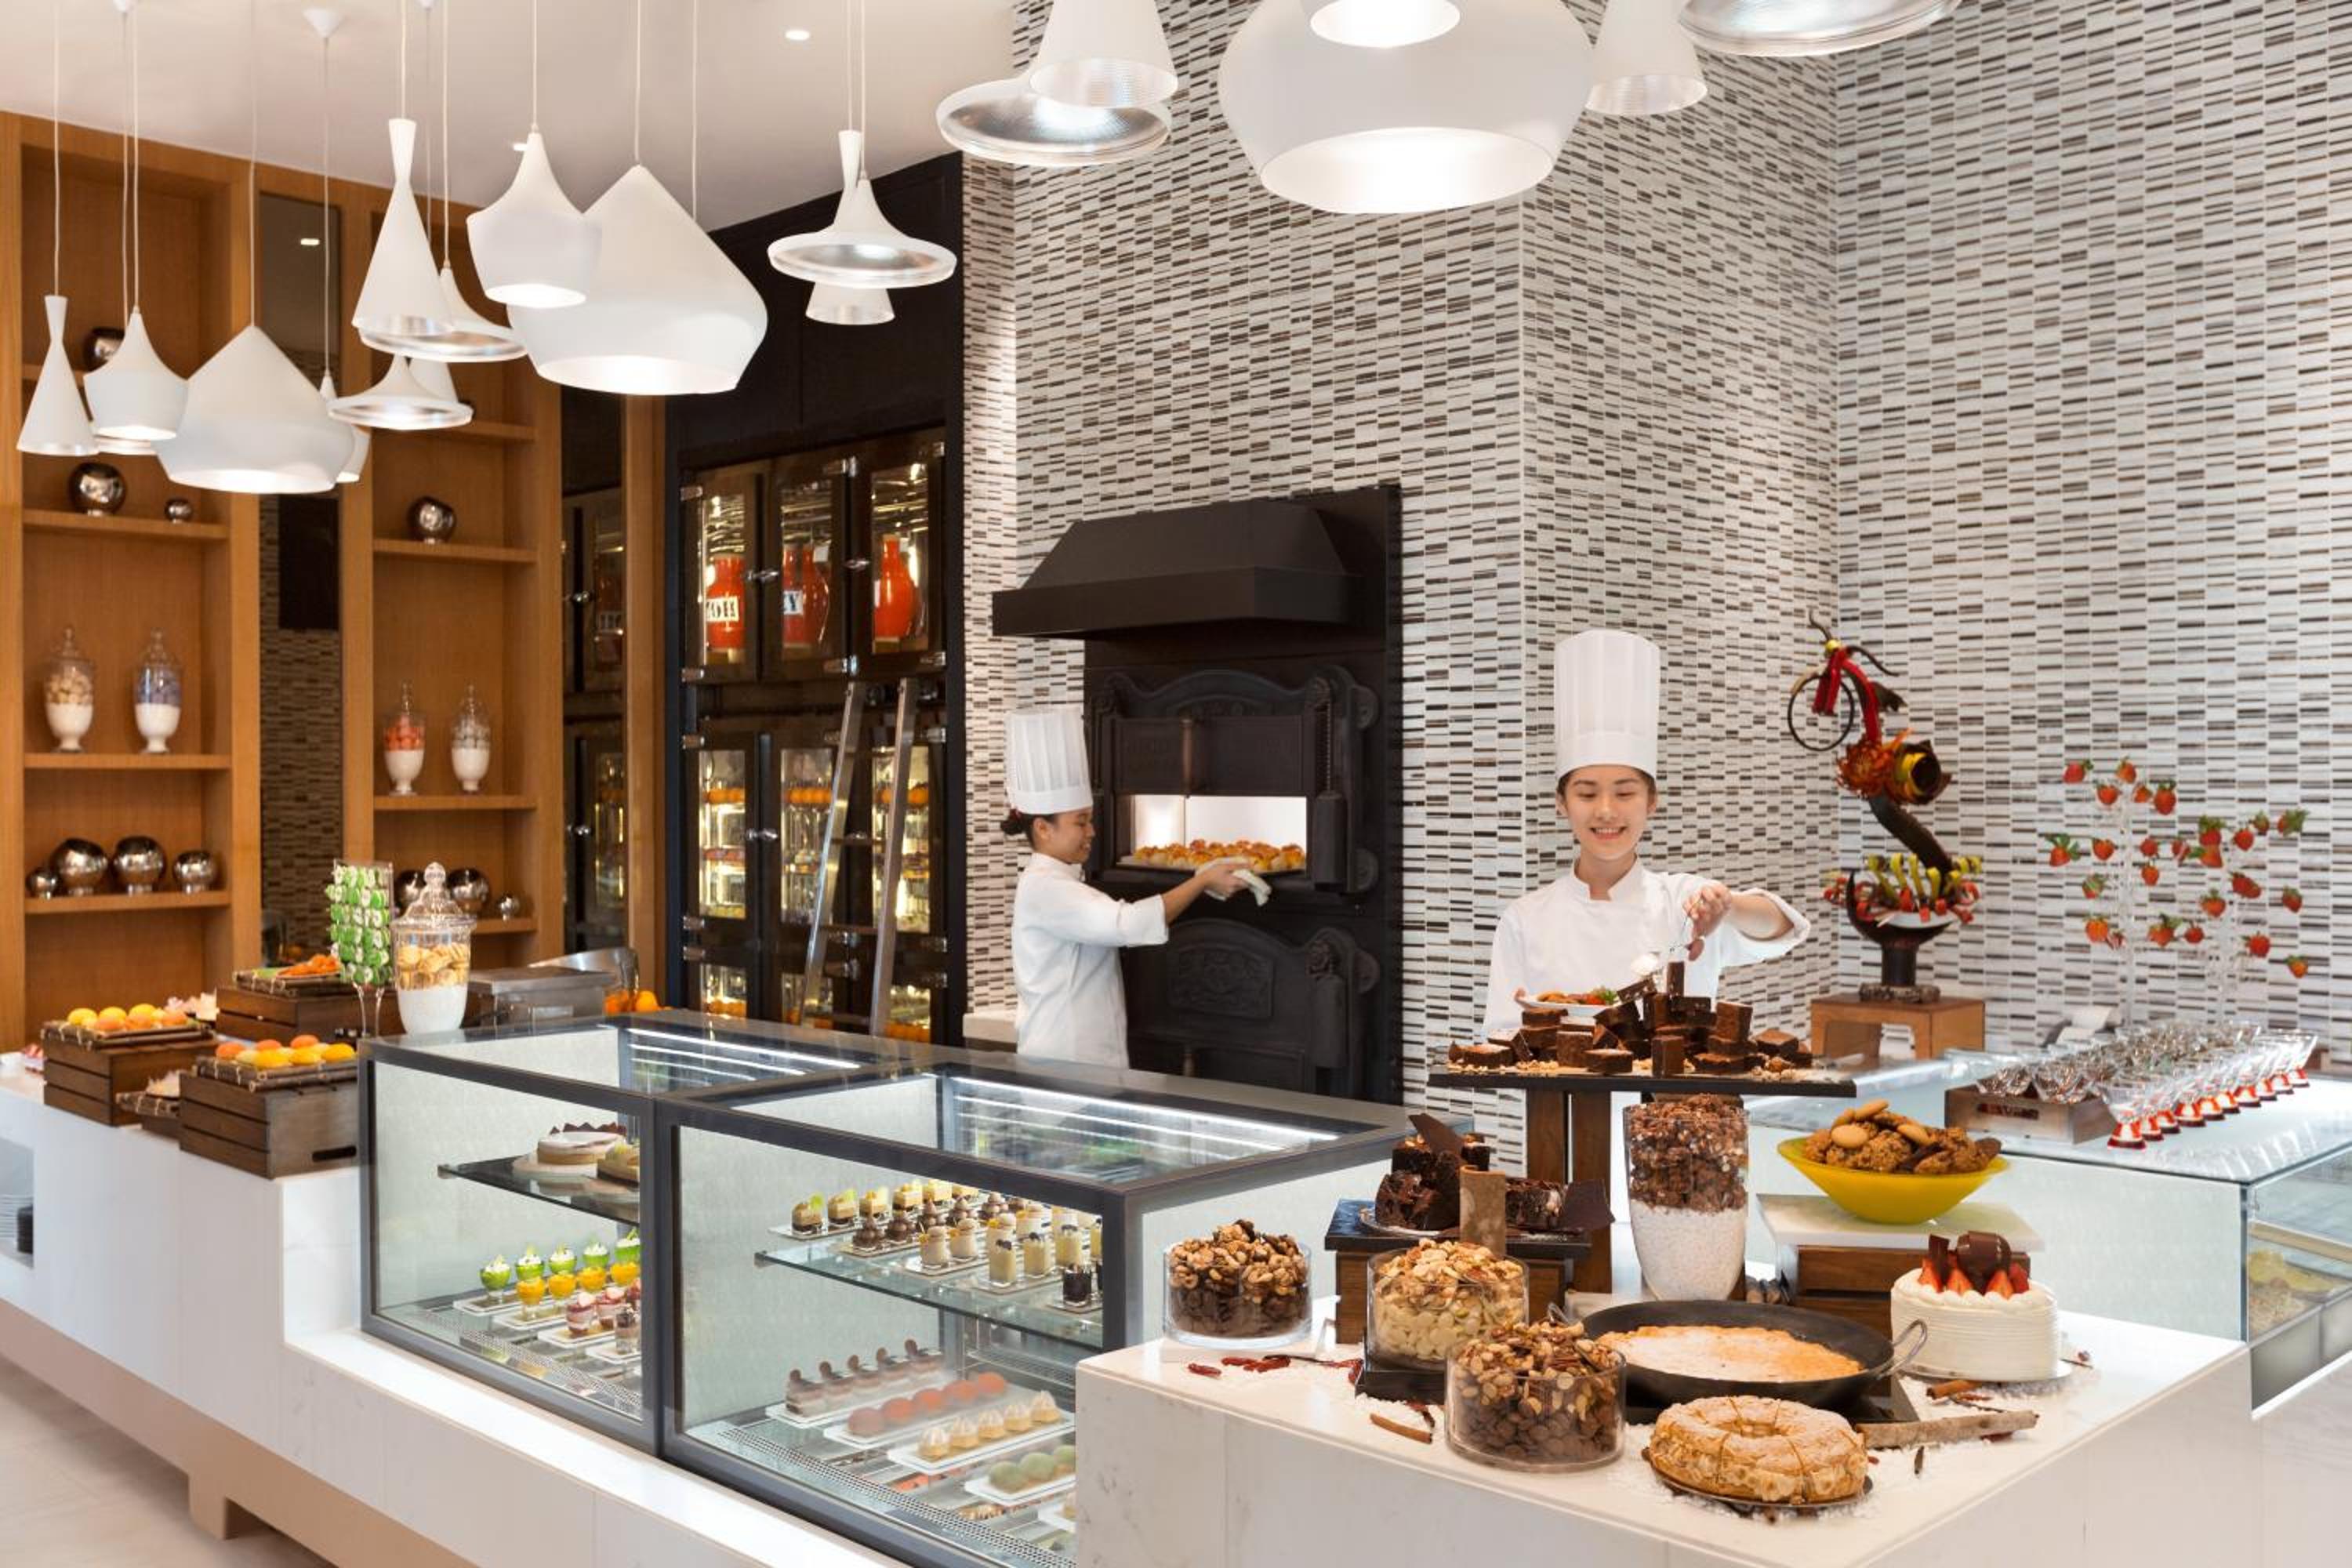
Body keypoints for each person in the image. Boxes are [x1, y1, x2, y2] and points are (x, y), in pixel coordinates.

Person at [1483, 630, 1809, 1035]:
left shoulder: (1686, 905)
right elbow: (1498, 1037)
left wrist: (1728, 906)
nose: (1606, 810)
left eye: (1625, 792)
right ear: (1562, 802)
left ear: (1651, 801)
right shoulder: (1525, 920)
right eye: (1587, 793)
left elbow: (1782, 928)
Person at [1005, 711, 1251, 1065]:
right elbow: (1129, 923)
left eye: (1090, 820)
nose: (1092, 832)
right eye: (1081, 822)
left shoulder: (1059, 882)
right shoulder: (1047, 889)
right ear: (1043, 829)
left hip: (1077, 1062)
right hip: (1065, 1064)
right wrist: (1201, 881)